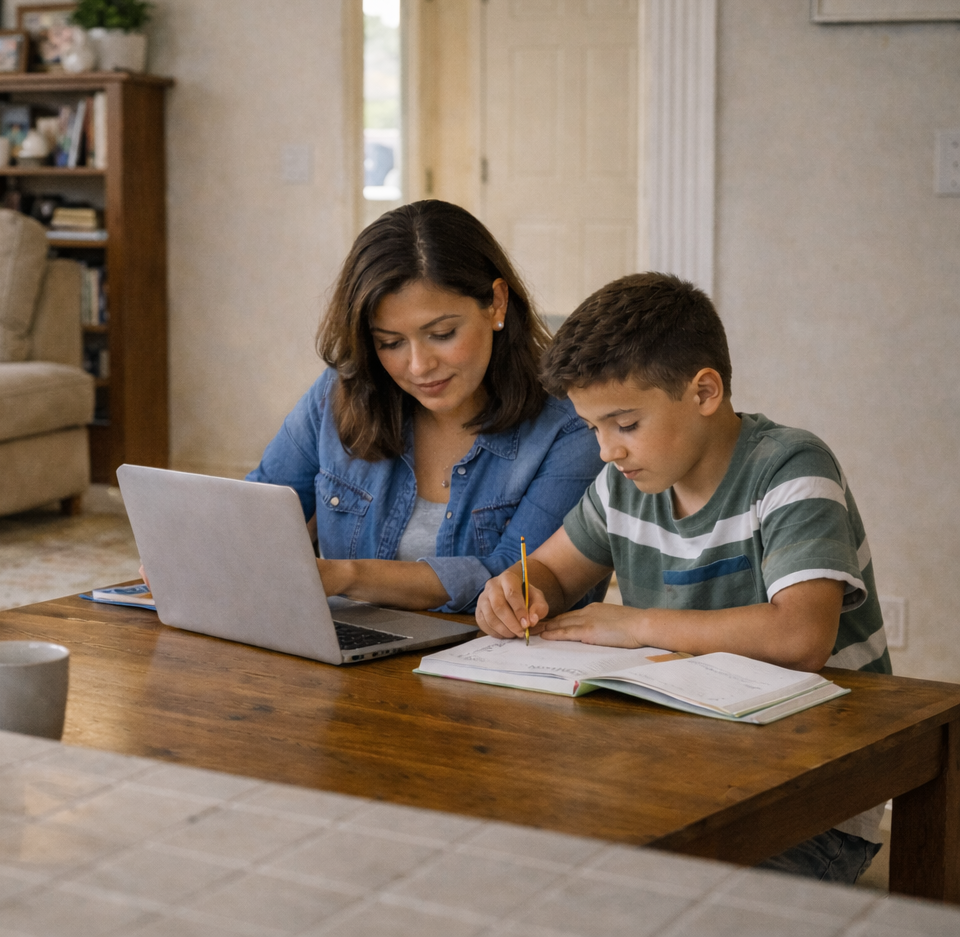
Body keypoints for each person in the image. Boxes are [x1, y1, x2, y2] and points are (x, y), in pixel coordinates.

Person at [476, 271, 889, 883]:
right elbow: (553, 573)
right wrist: (516, 589)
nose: (606, 451)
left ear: (703, 392)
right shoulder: (624, 484)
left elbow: (801, 637)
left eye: (625, 424)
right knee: (532, 861)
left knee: (659, 896)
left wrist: (636, 625)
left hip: (813, 794)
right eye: (594, 428)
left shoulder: (791, 468)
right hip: (685, 767)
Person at [246, 200, 605, 612]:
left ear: (497, 304)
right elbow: (257, 511)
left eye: (442, 333)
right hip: (353, 658)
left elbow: (519, 579)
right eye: (390, 343)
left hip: (493, 666)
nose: (419, 366)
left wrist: (346, 575)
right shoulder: (340, 394)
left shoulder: (572, 423)